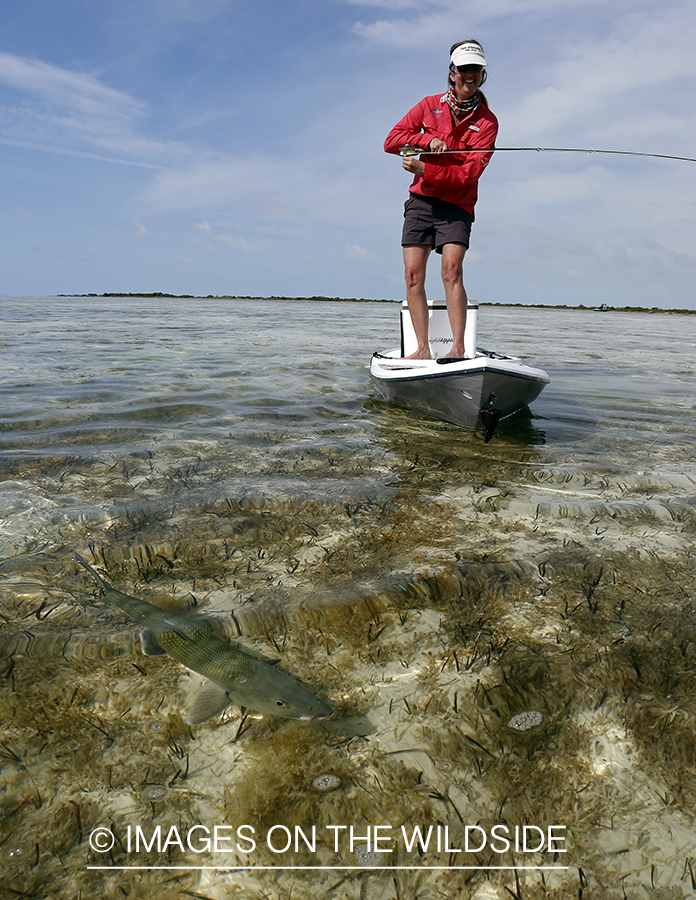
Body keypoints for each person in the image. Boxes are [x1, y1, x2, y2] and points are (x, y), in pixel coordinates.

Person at [384, 40, 498, 359]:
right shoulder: (428, 105)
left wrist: (425, 168)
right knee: (412, 276)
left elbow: (468, 175)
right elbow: (391, 141)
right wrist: (426, 139)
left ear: (482, 75)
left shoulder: (488, 123)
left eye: (475, 69)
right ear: (452, 74)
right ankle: (422, 349)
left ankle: (458, 349)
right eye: (463, 69)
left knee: (451, 270)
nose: (469, 75)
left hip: (457, 204)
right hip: (421, 201)